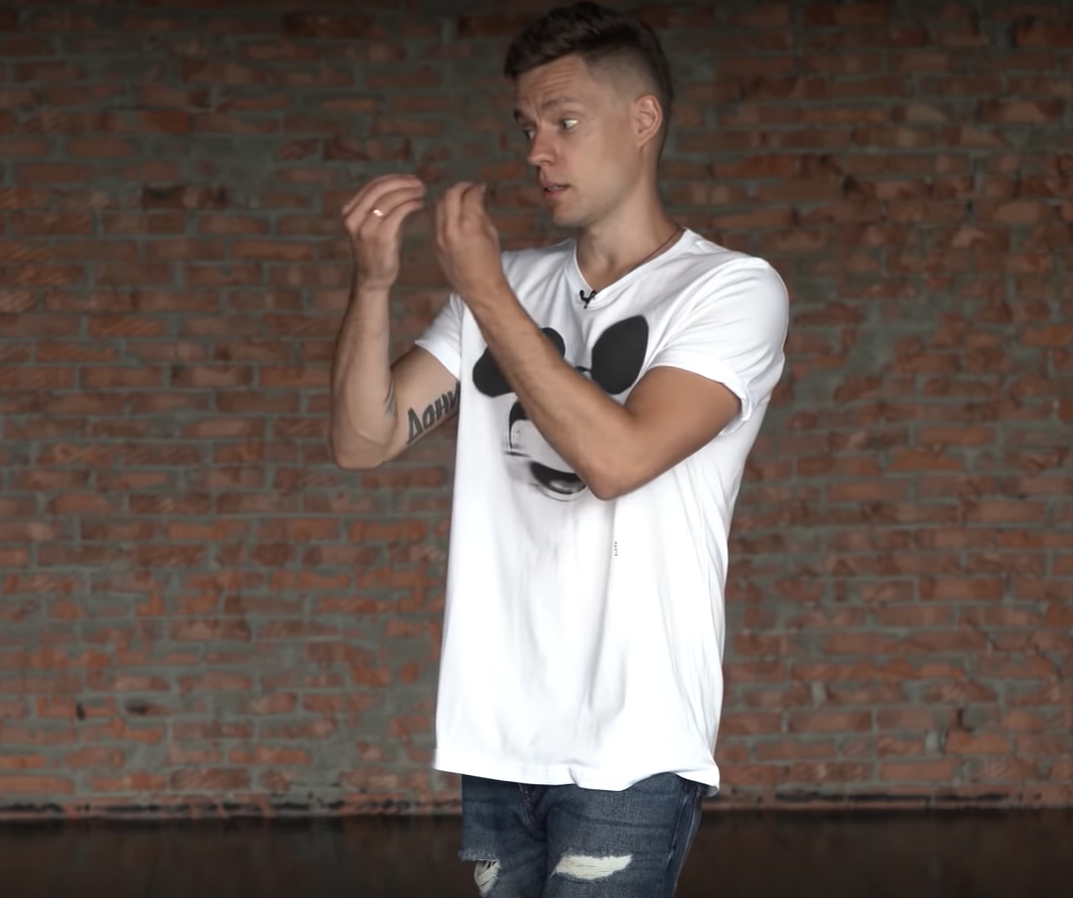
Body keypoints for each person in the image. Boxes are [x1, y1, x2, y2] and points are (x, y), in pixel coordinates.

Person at [328, 3, 789, 895]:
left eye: (564, 122)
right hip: (499, 737)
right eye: (526, 128)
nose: (537, 151)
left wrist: (485, 295)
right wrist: (375, 284)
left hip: (630, 742)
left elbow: (617, 460)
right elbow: (363, 439)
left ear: (643, 120)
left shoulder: (730, 290)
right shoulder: (510, 284)